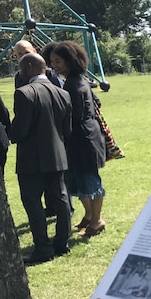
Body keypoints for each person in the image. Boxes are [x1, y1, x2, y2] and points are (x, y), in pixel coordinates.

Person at [10, 53, 73, 264]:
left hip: (31, 159)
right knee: (60, 199)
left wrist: (9, 132)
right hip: (57, 154)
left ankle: (43, 247)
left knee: (32, 202)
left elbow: (20, 131)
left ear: (28, 67)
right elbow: (67, 129)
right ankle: (62, 242)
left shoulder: (24, 93)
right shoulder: (63, 93)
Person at [49, 41, 107, 237]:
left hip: (84, 139)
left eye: (57, 61)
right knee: (77, 178)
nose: (54, 66)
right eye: (52, 62)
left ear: (69, 61)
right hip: (80, 137)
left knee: (89, 179)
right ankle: (89, 215)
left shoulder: (74, 84)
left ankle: (97, 220)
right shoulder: (76, 80)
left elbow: (74, 115)